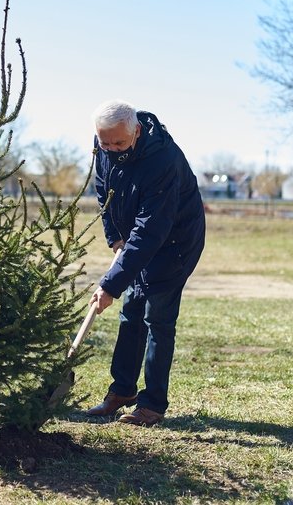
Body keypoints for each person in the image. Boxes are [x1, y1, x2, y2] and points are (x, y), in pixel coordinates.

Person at [85, 100, 205, 427]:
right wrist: (114, 238)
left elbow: (151, 229)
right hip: (137, 239)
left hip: (174, 243)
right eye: (104, 143)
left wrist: (110, 283)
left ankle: (152, 405)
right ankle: (122, 390)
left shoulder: (162, 160)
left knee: (157, 318)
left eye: (118, 143)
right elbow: (103, 192)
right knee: (131, 312)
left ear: (136, 131)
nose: (109, 149)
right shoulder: (105, 145)